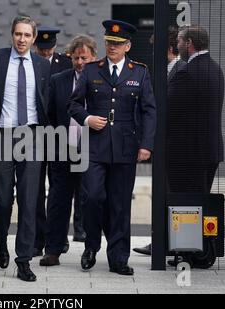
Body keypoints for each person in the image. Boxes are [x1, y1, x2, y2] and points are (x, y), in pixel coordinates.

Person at [68, 20, 157, 276]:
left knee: (119, 205)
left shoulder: (139, 72)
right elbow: (73, 104)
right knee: (93, 197)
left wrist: (146, 145)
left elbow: (149, 111)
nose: (112, 47)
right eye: (108, 42)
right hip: (95, 147)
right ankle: (91, 246)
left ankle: (118, 257)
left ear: (127, 46)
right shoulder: (91, 70)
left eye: (117, 44)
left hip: (126, 148)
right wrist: (87, 118)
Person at [0, 16, 51, 282]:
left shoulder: (42, 65)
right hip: (2, 136)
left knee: (30, 201)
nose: (22, 39)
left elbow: (48, 101)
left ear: (33, 38)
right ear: (12, 35)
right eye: (18, 34)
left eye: (27, 35)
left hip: (31, 135)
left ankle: (24, 260)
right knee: (4, 199)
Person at [165, 26, 224, 267]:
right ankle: (201, 252)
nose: (176, 45)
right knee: (200, 201)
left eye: (179, 41)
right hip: (209, 150)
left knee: (185, 205)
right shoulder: (215, 69)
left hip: (187, 154)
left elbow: (168, 110)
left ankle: (188, 255)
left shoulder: (187, 72)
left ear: (189, 43)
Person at [40, 34, 98, 267]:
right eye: (76, 58)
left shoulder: (101, 80)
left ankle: (90, 249)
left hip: (91, 151)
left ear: (94, 57)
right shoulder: (59, 80)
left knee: (90, 201)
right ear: (70, 58)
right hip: (63, 149)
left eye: (84, 58)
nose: (80, 62)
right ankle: (52, 250)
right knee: (57, 200)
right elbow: (51, 115)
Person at [133, 25, 186, 256]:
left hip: (175, 147)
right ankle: (162, 241)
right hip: (166, 147)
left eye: (156, 48)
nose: (153, 52)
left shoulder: (181, 71)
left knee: (170, 195)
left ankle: (169, 243)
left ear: (169, 48)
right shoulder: (168, 70)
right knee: (162, 194)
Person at [32, 26, 73, 257]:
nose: (46, 54)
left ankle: (58, 237)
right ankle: (39, 238)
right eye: (42, 50)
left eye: (49, 50)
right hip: (36, 135)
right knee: (36, 189)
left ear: (55, 46)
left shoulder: (66, 63)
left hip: (59, 136)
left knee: (59, 190)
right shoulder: (31, 63)